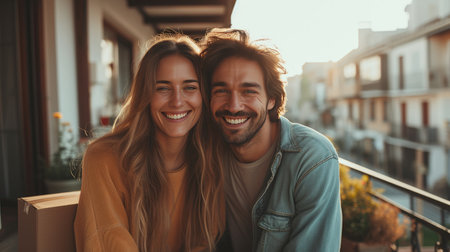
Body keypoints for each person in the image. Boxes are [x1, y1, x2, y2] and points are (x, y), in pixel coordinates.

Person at [74, 34, 225, 252]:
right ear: (145, 94)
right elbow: (109, 239)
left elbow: (205, 241)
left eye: (190, 87)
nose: (177, 101)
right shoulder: (104, 157)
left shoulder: (212, 158)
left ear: (204, 95)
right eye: (162, 88)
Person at [200, 29, 342, 251]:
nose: (234, 105)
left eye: (248, 91)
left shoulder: (313, 157)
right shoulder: (206, 150)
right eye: (221, 91)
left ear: (272, 99)